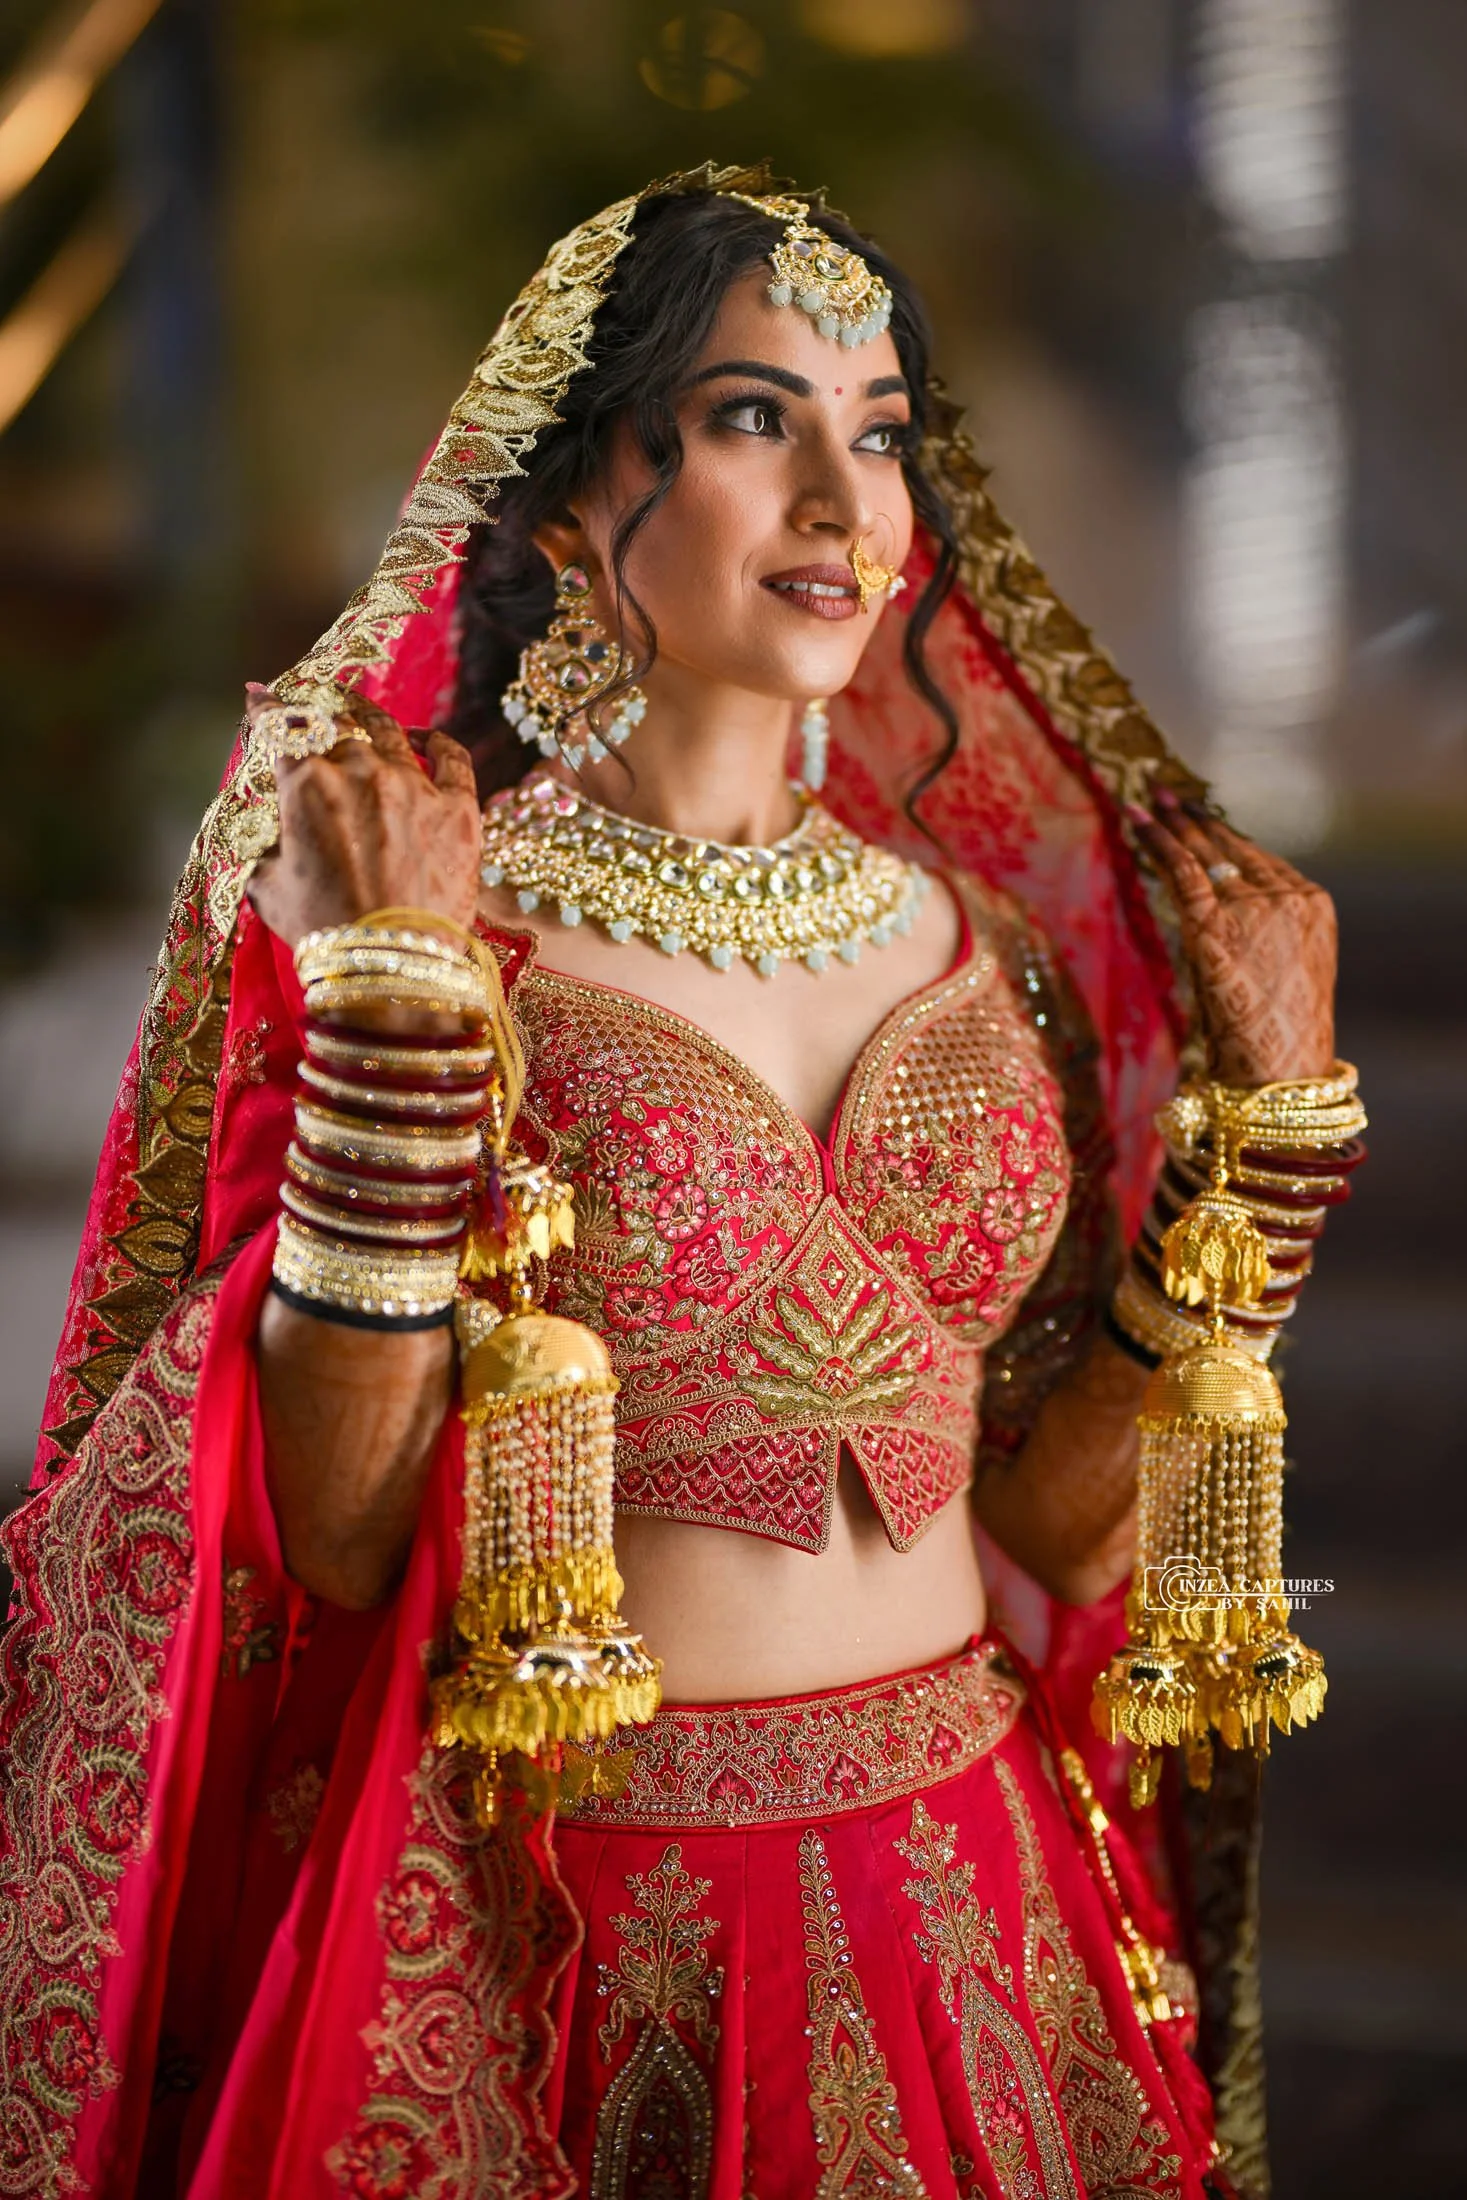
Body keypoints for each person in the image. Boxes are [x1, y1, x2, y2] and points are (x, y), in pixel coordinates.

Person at [0, 167, 1354, 2200]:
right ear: (566, 505)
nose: (839, 500)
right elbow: (333, 1542)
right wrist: (391, 1026)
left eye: (877, 435)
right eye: (748, 420)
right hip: (589, 1922)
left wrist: (1259, 1154)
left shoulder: (986, 949)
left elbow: (1055, 1535)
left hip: (970, 1885)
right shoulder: (429, 921)